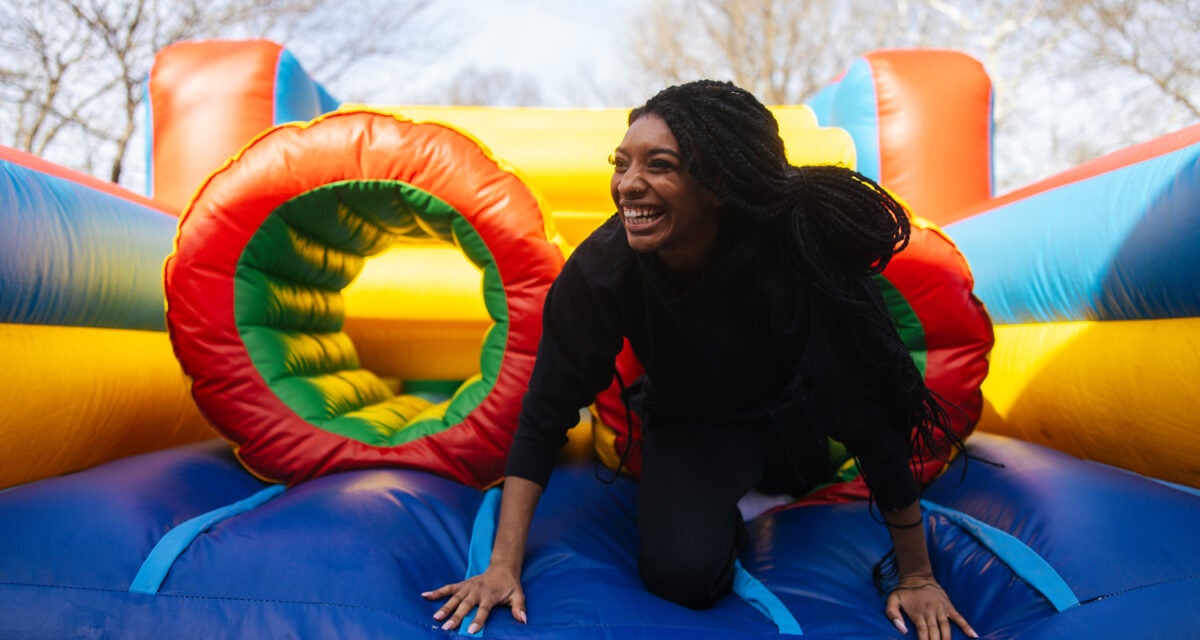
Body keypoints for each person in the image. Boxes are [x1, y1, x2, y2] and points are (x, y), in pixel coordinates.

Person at [423, 80, 978, 640]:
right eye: (622, 163)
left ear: (716, 184)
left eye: (658, 165)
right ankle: (728, 503)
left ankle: (766, 484)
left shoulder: (792, 262)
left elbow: (868, 421)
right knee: (683, 577)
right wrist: (501, 567)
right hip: (690, 420)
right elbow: (545, 412)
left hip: (790, 410)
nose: (628, 185)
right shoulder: (604, 268)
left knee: (803, 473)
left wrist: (916, 574)